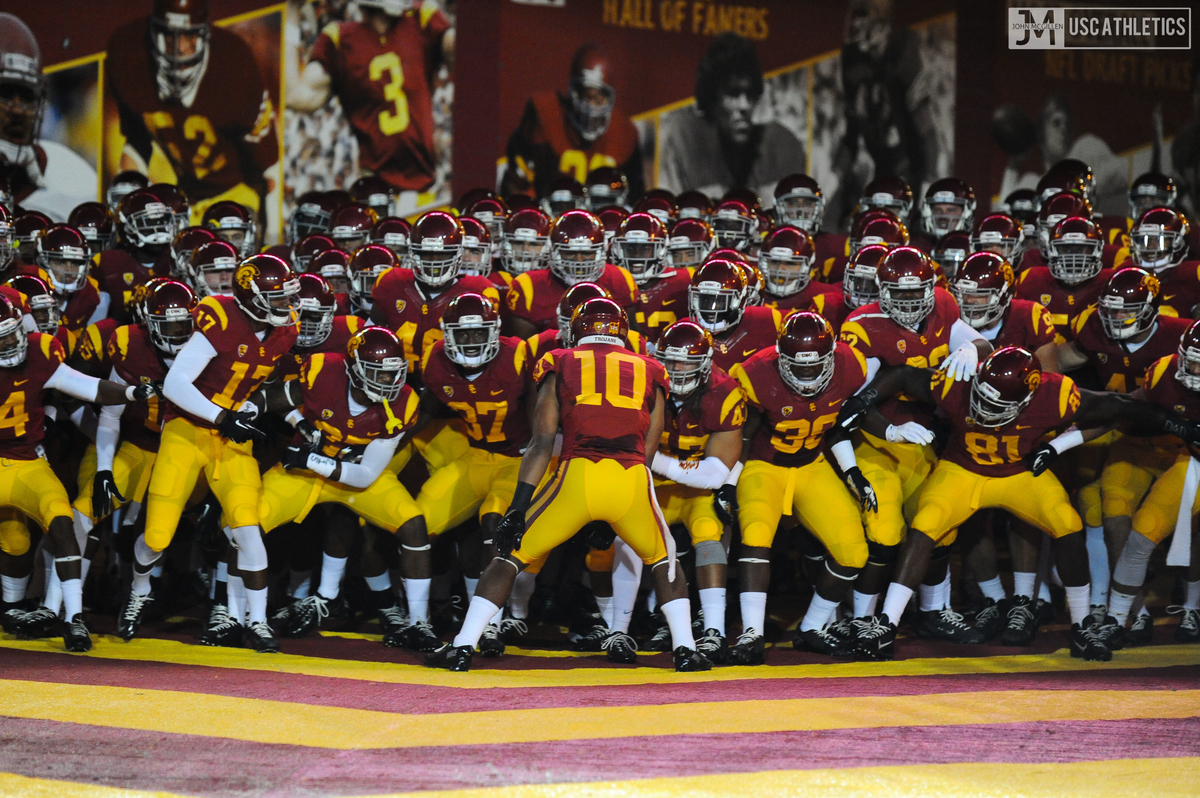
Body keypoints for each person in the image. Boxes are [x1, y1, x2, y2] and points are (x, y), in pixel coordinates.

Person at [839, 346, 1200, 661]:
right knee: (925, 525)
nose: (984, 409)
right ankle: (886, 624)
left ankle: (1082, 625)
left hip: (1019, 473)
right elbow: (903, 375)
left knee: (1067, 523)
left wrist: (1178, 426)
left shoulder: (1053, 395)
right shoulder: (959, 384)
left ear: (1028, 399)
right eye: (981, 398)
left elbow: (1118, 406)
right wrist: (863, 399)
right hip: (963, 470)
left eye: (995, 405)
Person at [424, 297, 711, 673]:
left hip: (578, 473)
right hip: (630, 479)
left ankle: (463, 646)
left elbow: (541, 442)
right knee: (666, 561)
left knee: (508, 557)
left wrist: (518, 506)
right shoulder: (652, 368)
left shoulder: (559, 360)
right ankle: (686, 650)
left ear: (575, 331)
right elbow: (648, 448)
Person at [119, 254, 300, 652]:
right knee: (158, 535)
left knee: (248, 528)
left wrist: (252, 407)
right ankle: (139, 589)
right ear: (250, 298)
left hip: (232, 434)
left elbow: (263, 379)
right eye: (276, 297)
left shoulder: (286, 330)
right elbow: (176, 383)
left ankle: (257, 621)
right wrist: (222, 416)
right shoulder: (219, 317)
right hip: (187, 429)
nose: (285, 304)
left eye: (287, 295)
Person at [0, 293, 154, 651]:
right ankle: (11, 608)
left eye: (12, 334)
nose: (10, 344)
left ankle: (73, 618)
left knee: (63, 521)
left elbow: (87, 386)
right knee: (14, 542)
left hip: (27, 463)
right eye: (1, 339)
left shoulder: (40, 351)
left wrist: (132, 392)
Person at [106, 0, 279, 223]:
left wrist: (272, 231)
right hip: (184, 200)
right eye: (170, 35)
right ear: (155, 34)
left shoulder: (232, 65)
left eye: (189, 36)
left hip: (236, 195)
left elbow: (268, 165)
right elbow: (138, 141)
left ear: (204, 36)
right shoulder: (132, 56)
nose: (180, 48)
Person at [295, 0, 453, 210]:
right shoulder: (340, 39)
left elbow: (462, 55)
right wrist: (289, 17)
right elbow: (299, 95)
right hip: (374, 190)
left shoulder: (420, 19)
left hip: (425, 187)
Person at [658, 33, 805, 200]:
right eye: (733, 93)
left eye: (750, 94)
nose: (745, 105)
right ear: (713, 100)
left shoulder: (783, 145)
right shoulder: (686, 138)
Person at [500, 44, 641, 202]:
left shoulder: (623, 132)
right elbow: (517, 186)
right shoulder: (548, 117)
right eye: (586, 96)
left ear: (609, 99)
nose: (591, 106)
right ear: (573, 92)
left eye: (598, 98)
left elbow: (632, 197)